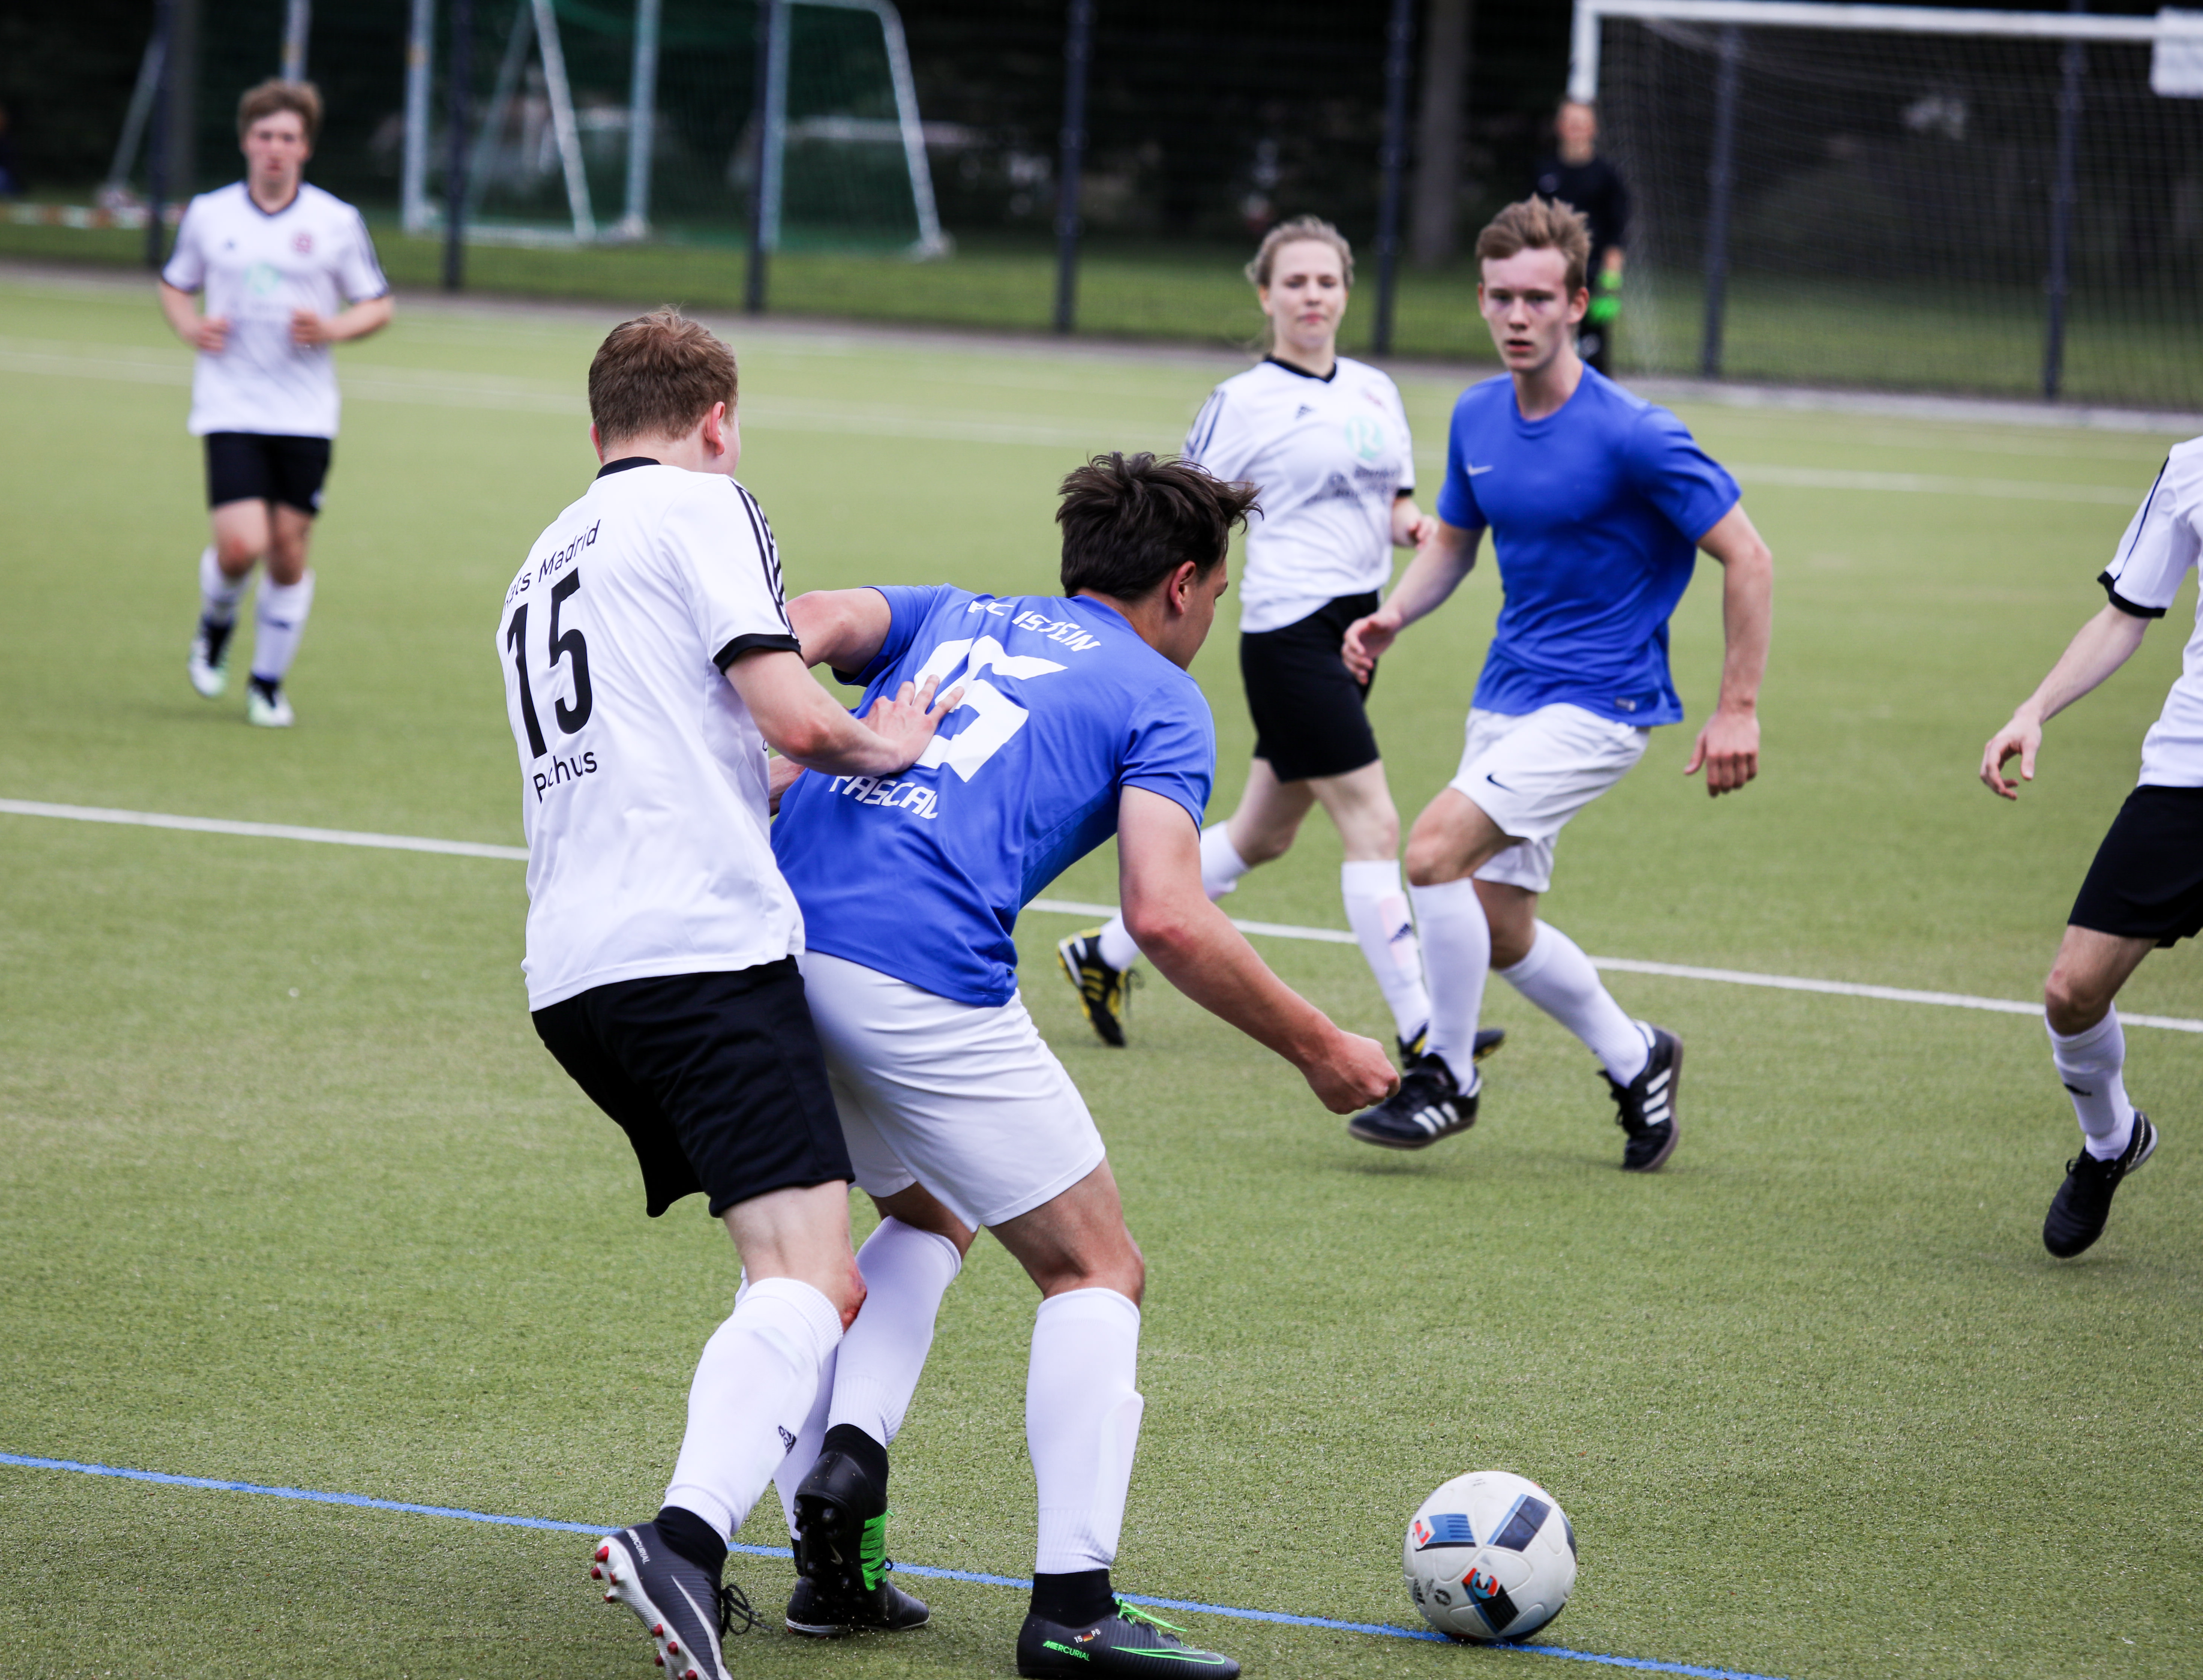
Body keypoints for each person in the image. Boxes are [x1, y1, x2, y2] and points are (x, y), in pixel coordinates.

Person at [763, 453, 1400, 1677]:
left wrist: (807, 744)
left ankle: (841, 1502)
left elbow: (801, 620)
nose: (1211, 617)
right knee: (1095, 1266)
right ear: (1182, 585)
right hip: (917, 972)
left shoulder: (955, 613)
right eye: (1218, 593)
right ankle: (1075, 1608)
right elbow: (1166, 914)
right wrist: (1320, 1048)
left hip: (782, 953)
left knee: (924, 1213)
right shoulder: (1161, 697)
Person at [503, 309, 955, 1680]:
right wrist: (886, 741)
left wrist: (804, 760)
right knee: (817, 1275)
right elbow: (793, 714)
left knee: (795, 1269)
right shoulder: (703, 506)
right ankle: (683, 1541)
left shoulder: (541, 559)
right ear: (715, 422)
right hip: (696, 950)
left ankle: (752, 1550)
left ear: (595, 430)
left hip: (574, 972)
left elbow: (716, 769)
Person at [1342, 196, 1774, 1168]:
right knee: (1499, 927)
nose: (1517, 316)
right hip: (1507, 694)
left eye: (1538, 298)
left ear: (1578, 304)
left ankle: (1446, 1075)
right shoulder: (1476, 414)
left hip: (1605, 703)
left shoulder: (1636, 433)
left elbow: (1749, 555)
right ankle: (1637, 1056)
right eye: (1500, 297)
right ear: (1482, 300)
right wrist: (1396, 613)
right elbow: (1455, 541)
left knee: (1433, 852)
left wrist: (1738, 707)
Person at [1057, 216, 1503, 1088]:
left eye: (1327, 281)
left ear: (1347, 292)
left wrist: (1416, 527)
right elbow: (1184, 510)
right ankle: (1426, 1032)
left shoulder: (1375, 389)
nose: (1312, 296)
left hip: (1358, 627)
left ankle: (1100, 953)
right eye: (1295, 282)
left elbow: (1392, 501)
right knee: (1373, 823)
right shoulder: (1243, 400)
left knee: (1265, 832)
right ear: (1266, 295)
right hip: (1287, 632)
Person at [1977, 261, 2203, 1258]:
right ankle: (2111, 1141)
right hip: (2200, 766)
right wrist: (2034, 708)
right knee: (2072, 990)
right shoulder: (2198, 467)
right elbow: (2126, 615)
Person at [159, 79, 392, 728]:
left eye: (288, 137)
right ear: (246, 141)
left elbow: (377, 303)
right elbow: (176, 284)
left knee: (288, 553)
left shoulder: (335, 222)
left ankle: (266, 683)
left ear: (305, 148)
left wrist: (332, 328)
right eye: (264, 135)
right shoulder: (210, 215)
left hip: (305, 413)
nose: (275, 148)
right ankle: (216, 624)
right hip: (230, 403)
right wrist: (189, 326)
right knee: (241, 547)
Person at [1533, 101, 1630, 377]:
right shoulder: (1543, 172)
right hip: (1549, 275)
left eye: (1582, 123)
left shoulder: (1607, 177)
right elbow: (1529, 227)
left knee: (1593, 353)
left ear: (1593, 129)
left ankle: (1593, 400)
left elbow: (1616, 233)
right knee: (1544, 350)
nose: (1576, 129)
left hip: (1591, 274)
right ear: (1559, 127)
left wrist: (1611, 282)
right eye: (1570, 122)